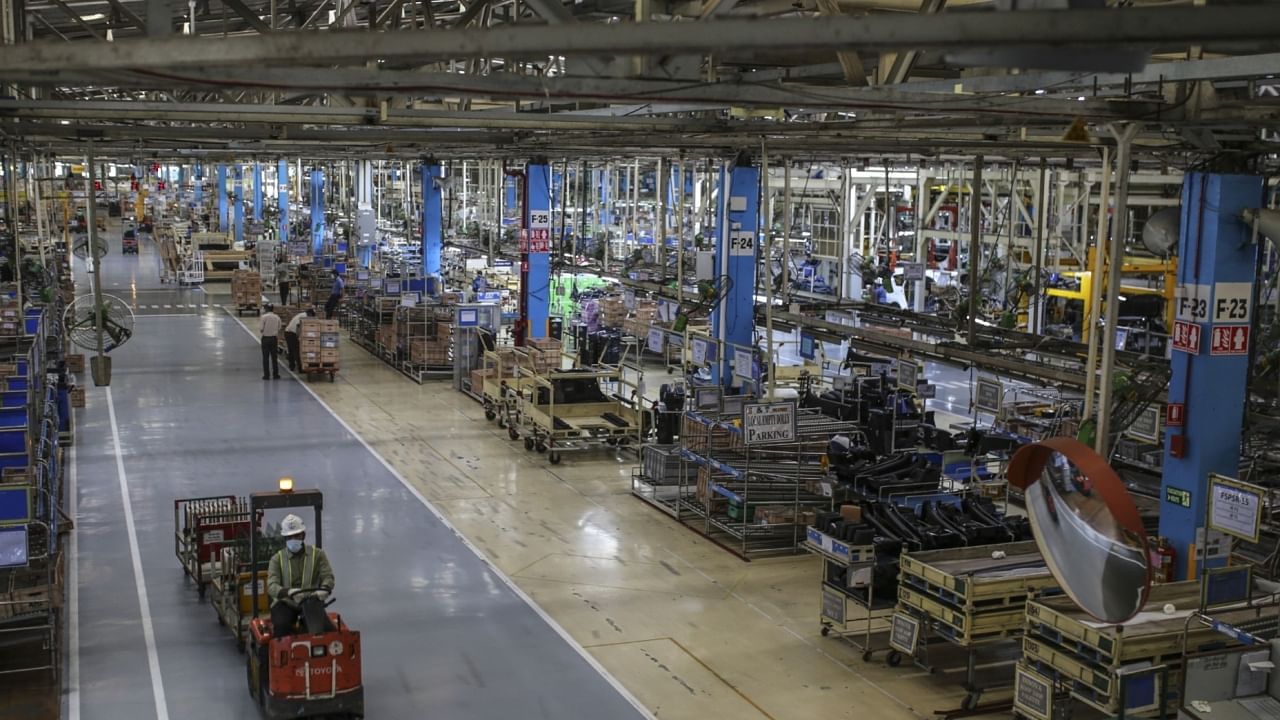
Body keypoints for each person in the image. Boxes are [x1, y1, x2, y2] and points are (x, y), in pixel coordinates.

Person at [266, 514, 335, 639]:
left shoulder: (318, 555)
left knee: (329, 633)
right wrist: (289, 592)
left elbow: (328, 576)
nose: (293, 539)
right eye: (289, 537)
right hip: (286, 603)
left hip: (311, 601)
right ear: (285, 539)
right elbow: (271, 586)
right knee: (281, 628)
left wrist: (323, 589)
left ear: (303, 535)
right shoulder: (276, 559)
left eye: (296, 535)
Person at [284, 308, 315, 372]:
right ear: (310, 314)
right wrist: (299, 337)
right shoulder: (304, 316)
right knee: (296, 350)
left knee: (291, 350)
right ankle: (300, 368)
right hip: (291, 333)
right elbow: (298, 326)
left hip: (288, 332)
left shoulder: (301, 314)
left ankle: (292, 366)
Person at [260, 304, 282, 380]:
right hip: (274, 339)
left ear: (266, 309)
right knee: (274, 357)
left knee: (265, 358)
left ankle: (266, 375)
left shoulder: (263, 317)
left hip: (265, 339)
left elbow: (261, 329)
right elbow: (279, 328)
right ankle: (275, 374)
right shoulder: (277, 317)